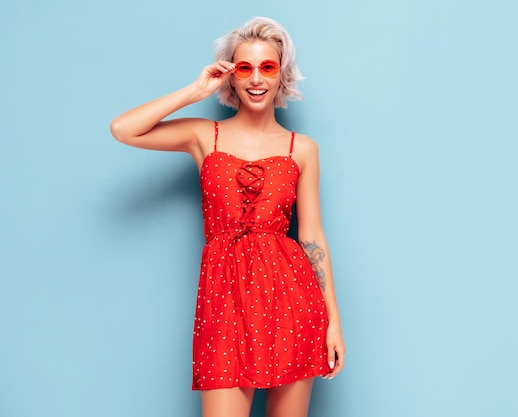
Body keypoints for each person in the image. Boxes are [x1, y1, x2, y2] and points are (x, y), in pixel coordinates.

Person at [110, 17, 345, 417]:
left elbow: (312, 236)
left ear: (281, 74)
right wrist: (195, 90)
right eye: (244, 67)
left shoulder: (302, 148)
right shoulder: (205, 136)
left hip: (291, 302)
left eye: (267, 67)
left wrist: (333, 323)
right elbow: (123, 129)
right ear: (231, 76)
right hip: (223, 302)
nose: (256, 78)